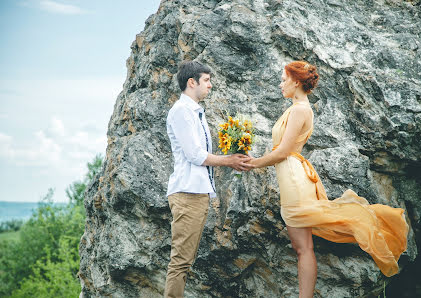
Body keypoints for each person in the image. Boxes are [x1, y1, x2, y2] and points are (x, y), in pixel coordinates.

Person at [247, 61, 408, 298]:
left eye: (283, 79)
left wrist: (253, 163)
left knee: (303, 248)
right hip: (292, 176)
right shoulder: (296, 108)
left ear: (296, 81)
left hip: (294, 178)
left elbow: (282, 152)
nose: (281, 84)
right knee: (302, 247)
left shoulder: (300, 109)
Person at [164, 60, 253, 298]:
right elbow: (194, 155)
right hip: (187, 193)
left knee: (186, 260)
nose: (210, 86)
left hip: (197, 193)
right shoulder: (182, 111)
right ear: (191, 82)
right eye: (206, 80)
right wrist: (229, 160)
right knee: (181, 261)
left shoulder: (194, 111)